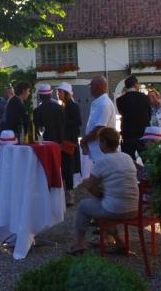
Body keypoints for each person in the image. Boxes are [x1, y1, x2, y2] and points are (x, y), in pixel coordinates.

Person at [67, 127, 139, 255]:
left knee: (84, 206)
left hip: (115, 210)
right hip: (133, 208)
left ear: (104, 142)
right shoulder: (127, 157)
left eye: (99, 141)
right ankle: (119, 241)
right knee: (108, 201)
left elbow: (90, 186)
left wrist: (100, 195)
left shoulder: (102, 161)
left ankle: (78, 244)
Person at [80, 76, 117, 164]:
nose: (90, 89)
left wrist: (84, 140)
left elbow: (99, 129)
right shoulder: (100, 102)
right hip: (98, 151)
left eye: (91, 86)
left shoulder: (104, 104)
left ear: (97, 86)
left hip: (101, 152)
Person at [57, 82, 82, 206]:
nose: (58, 94)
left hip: (70, 142)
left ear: (66, 93)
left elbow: (78, 122)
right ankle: (67, 194)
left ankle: (70, 195)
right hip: (66, 141)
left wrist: (64, 122)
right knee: (66, 168)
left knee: (68, 168)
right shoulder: (65, 106)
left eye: (60, 92)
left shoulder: (72, 106)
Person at [116, 76, 151, 162]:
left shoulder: (120, 99)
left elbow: (121, 113)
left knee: (129, 161)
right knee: (147, 160)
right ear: (135, 85)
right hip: (143, 133)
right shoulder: (144, 97)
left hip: (127, 133)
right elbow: (149, 113)